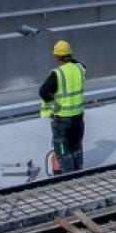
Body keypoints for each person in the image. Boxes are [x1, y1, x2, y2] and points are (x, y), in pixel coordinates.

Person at [39, 40, 87, 173]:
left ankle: (68, 178)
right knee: (76, 147)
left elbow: (43, 92)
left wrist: (53, 103)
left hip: (62, 119)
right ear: (70, 55)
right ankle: (79, 173)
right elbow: (79, 64)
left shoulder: (57, 74)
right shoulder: (79, 68)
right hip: (78, 117)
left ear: (56, 57)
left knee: (62, 150)